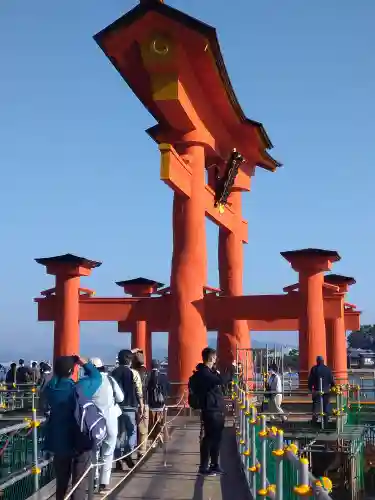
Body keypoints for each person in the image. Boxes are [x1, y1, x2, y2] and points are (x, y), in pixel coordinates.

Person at [43, 355, 102, 500]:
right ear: (72, 370)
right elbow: (96, 377)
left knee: (61, 483)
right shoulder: (78, 388)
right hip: (79, 441)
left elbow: (53, 382)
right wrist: (83, 362)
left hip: (58, 442)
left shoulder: (49, 389)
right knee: (79, 484)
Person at [89, 358, 124, 494]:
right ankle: (104, 483)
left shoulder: (88, 382)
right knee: (108, 452)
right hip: (110, 421)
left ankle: (93, 479)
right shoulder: (110, 380)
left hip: (93, 422)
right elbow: (120, 398)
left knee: (94, 452)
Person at [191, 347, 226, 476]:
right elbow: (221, 381)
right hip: (211, 409)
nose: (216, 360)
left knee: (215, 438)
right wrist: (217, 372)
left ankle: (214, 464)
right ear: (211, 358)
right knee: (210, 438)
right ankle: (205, 466)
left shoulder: (204, 372)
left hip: (213, 409)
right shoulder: (205, 374)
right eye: (215, 357)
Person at [111, 349, 144, 470]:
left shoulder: (113, 373)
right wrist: (141, 405)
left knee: (118, 433)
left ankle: (118, 458)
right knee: (131, 432)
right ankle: (128, 453)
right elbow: (139, 391)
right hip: (130, 406)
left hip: (117, 407)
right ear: (130, 360)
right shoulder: (133, 373)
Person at [308, 355, 335, 426]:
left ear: (317, 361)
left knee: (315, 405)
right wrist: (332, 387)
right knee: (326, 405)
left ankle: (314, 420)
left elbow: (310, 380)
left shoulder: (314, 369)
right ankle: (326, 421)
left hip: (317, 390)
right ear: (323, 361)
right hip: (326, 390)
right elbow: (331, 380)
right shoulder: (328, 369)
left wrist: (311, 389)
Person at [147, 360, 169, 444]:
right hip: (160, 404)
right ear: (159, 366)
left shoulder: (148, 376)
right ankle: (160, 435)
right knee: (160, 422)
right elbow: (168, 388)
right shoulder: (163, 377)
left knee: (151, 423)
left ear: (151, 366)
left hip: (151, 404)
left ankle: (153, 438)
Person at [132, 350, 149, 459]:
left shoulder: (132, 372)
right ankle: (141, 451)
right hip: (144, 402)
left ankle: (129, 450)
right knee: (143, 430)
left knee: (133, 428)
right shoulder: (147, 373)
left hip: (133, 403)